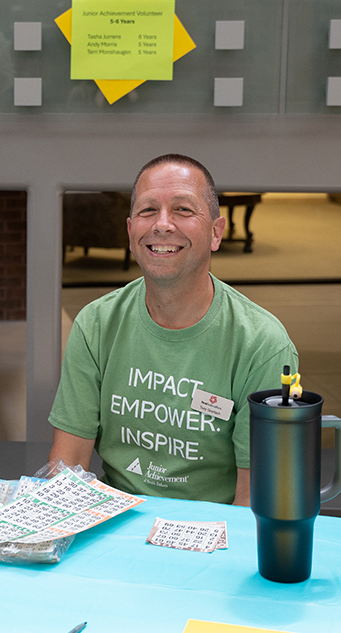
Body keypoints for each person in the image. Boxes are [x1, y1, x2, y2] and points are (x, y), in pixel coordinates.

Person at [47, 155, 297, 505]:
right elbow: (66, 467)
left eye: (183, 210)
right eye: (148, 210)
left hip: (213, 535)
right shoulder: (96, 324)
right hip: (115, 524)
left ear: (216, 232)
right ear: (130, 230)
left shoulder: (263, 345)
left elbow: (255, 499)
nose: (162, 225)